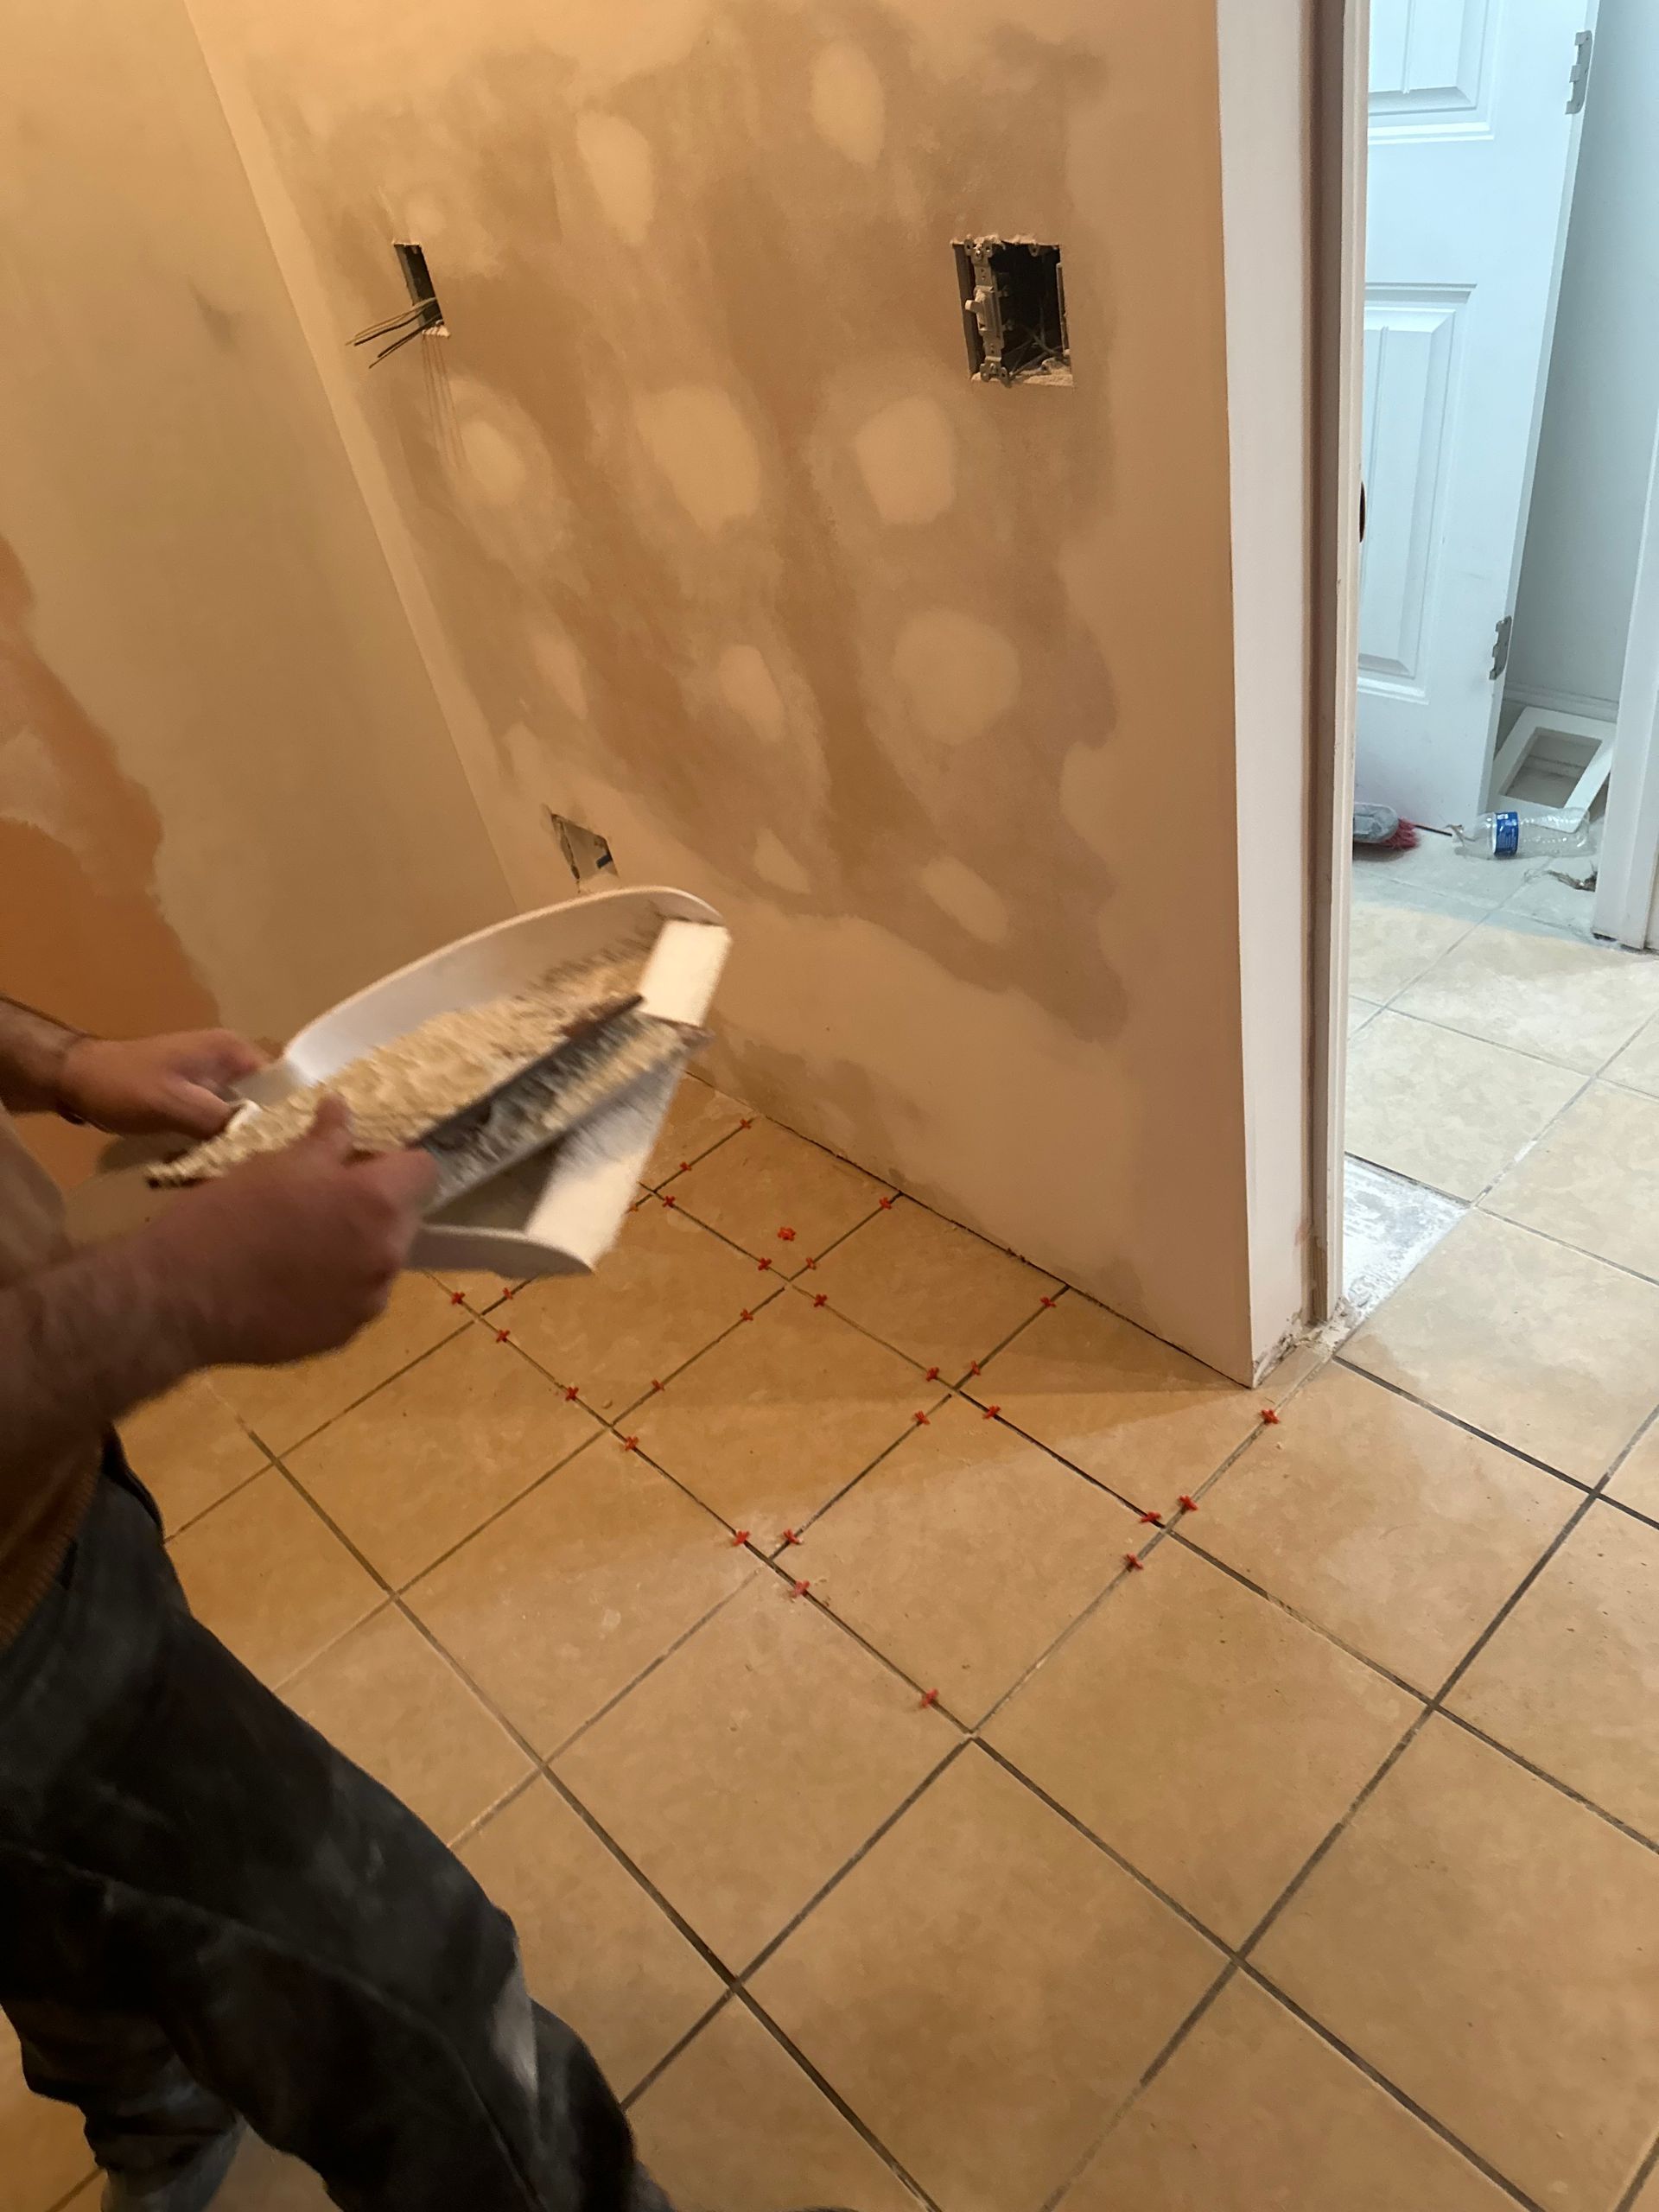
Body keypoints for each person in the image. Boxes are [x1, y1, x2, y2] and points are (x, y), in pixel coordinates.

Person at [0, 994, 842, 2212]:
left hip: (44, 1495)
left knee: (68, 1921)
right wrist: (169, 1297)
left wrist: (60, 1059)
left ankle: (158, 2123)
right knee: (421, 2008)